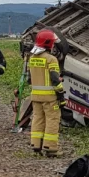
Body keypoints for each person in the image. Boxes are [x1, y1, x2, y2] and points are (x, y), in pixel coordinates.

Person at [27, 29, 65, 157]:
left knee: (37, 119)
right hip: (49, 97)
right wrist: (61, 94)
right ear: (49, 43)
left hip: (35, 96)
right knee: (52, 120)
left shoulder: (32, 58)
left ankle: (36, 145)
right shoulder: (51, 59)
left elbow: (29, 79)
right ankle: (51, 148)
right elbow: (55, 79)